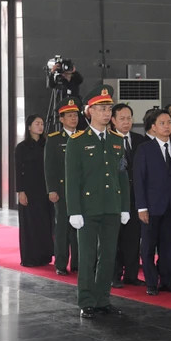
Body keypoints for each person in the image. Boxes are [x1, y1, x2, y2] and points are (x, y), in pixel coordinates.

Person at [65, 84, 130, 319]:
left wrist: (124, 207)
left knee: (108, 255)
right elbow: (72, 181)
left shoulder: (117, 140)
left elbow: (122, 176)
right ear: (89, 111)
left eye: (109, 108)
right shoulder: (78, 141)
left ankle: (103, 299)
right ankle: (86, 300)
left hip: (111, 207)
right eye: (101, 108)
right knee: (87, 256)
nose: (106, 113)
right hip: (88, 209)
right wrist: (74, 210)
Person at [134, 109, 171, 296]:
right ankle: (151, 283)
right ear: (153, 127)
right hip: (151, 207)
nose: (167, 126)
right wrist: (142, 207)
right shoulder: (145, 149)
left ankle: (168, 282)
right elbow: (139, 180)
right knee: (148, 247)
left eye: (169, 123)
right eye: (162, 123)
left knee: (168, 247)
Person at [109, 103, 147, 289]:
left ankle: (131, 275)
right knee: (115, 238)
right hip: (115, 199)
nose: (126, 122)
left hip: (135, 198)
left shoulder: (141, 140)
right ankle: (115, 275)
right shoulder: (108, 140)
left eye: (129, 118)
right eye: (122, 118)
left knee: (133, 238)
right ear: (113, 120)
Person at [44, 97, 81, 275]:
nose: (74, 119)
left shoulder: (83, 137)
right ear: (61, 119)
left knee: (79, 227)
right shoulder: (54, 139)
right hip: (63, 191)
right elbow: (49, 166)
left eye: (75, 115)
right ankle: (60, 263)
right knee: (62, 229)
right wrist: (52, 189)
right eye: (70, 116)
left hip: (82, 191)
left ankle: (78, 263)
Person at [16, 114, 53, 267]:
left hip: (45, 189)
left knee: (45, 223)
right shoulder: (22, 147)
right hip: (29, 191)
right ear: (29, 126)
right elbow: (18, 170)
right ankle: (30, 257)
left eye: (42, 123)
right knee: (30, 224)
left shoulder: (47, 145)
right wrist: (21, 191)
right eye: (37, 123)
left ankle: (45, 255)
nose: (40, 126)